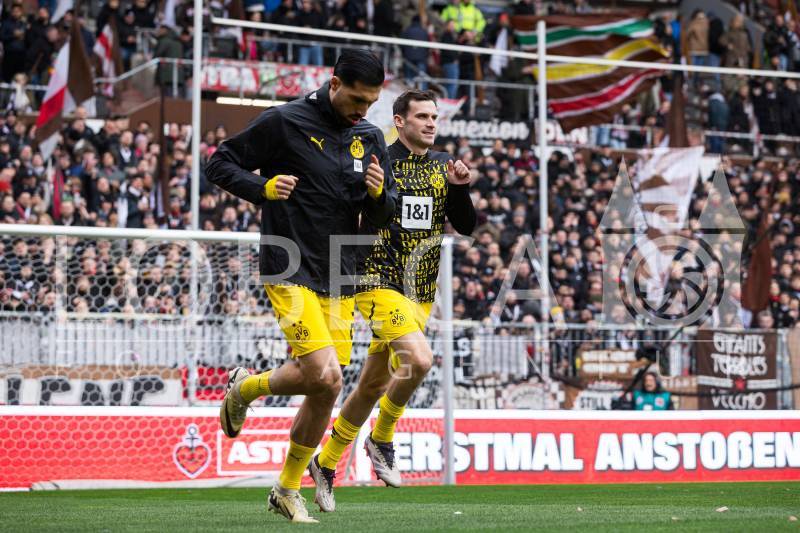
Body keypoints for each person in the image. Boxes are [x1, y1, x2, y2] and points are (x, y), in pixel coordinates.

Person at [206, 50, 397, 523]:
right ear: (334, 84)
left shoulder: (369, 138)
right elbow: (219, 163)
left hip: (340, 271)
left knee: (324, 386)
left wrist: (379, 194)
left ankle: (284, 485)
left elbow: (383, 214)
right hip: (288, 264)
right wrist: (262, 188)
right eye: (356, 99)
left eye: (370, 103)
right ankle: (247, 393)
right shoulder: (284, 121)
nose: (362, 110)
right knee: (325, 375)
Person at [308, 89, 476, 512]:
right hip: (378, 280)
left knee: (372, 385)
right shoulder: (379, 160)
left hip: (421, 291)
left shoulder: (442, 165)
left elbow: (466, 225)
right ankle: (382, 436)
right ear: (399, 121)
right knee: (419, 360)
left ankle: (325, 463)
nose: (431, 123)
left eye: (434, 117)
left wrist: (460, 189)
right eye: (422, 116)